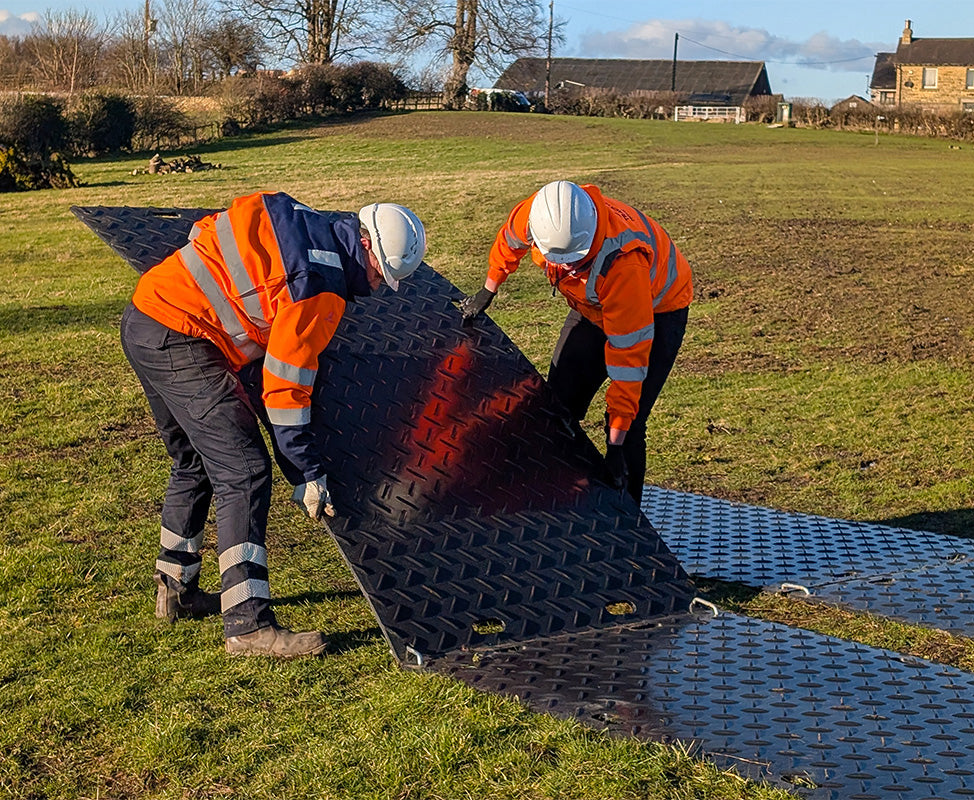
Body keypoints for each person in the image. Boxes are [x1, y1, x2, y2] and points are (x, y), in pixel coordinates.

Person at [120, 191, 427, 658]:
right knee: (242, 471)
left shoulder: (300, 216)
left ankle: (176, 588)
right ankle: (247, 624)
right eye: (381, 275)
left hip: (146, 313)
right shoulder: (321, 289)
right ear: (367, 247)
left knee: (194, 462)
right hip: (184, 336)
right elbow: (284, 389)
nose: (379, 287)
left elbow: (209, 230)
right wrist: (305, 471)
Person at [460, 180, 692, 505]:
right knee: (558, 404)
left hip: (656, 309)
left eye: (574, 261)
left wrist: (614, 445)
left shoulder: (624, 266)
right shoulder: (541, 214)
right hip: (591, 305)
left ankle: (627, 521)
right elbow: (509, 240)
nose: (566, 267)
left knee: (629, 426)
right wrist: (490, 286)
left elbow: (628, 362)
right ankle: (559, 494)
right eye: (559, 260)